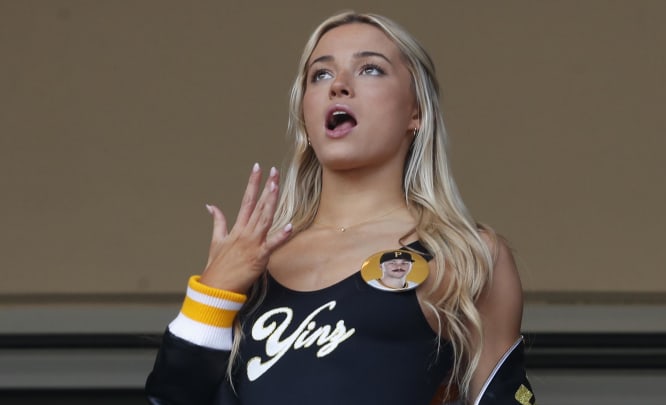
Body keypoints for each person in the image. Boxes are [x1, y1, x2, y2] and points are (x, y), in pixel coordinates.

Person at [146, 11, 534, 405]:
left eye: (370, 69)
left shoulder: (464, 255)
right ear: (305, 115)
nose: (339, 87)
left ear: (415, 112)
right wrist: (213, 295)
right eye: (321, 75)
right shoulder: (253, 258)